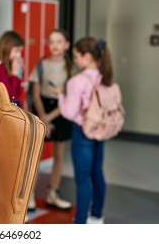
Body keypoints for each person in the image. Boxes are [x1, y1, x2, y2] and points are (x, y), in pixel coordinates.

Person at [54, 37, 112, 224]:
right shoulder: (105, 76)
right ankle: (96, 215)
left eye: (77, 57)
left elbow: (69, 112)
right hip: (100, 130)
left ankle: (80, 222)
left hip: (82, 132)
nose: (76, 61)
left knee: (82, 179)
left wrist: (60, 96)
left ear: (87, 56)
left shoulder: (76, 81)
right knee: (97, 172)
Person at [28, 29, 73, 211]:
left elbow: (70, 98)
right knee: (36, 156)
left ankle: (52, 193)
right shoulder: (41, 66)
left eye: (59, 41)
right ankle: (29, 195)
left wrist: (51, 117)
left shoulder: (71, 69)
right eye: (51, 42)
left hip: (61, 111)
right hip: (42, 109)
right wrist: (43, 118)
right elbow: (36, 95)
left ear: (66, 45)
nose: (55, 45)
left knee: (59, 156)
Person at [0, 30, 24, 106]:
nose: (19, 55)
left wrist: (18, 73)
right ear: (6, 48)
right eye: (16, 51)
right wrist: (15, 74)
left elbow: (17, 95)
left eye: (20, 51)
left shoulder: (8, 67)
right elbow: (10, 99)